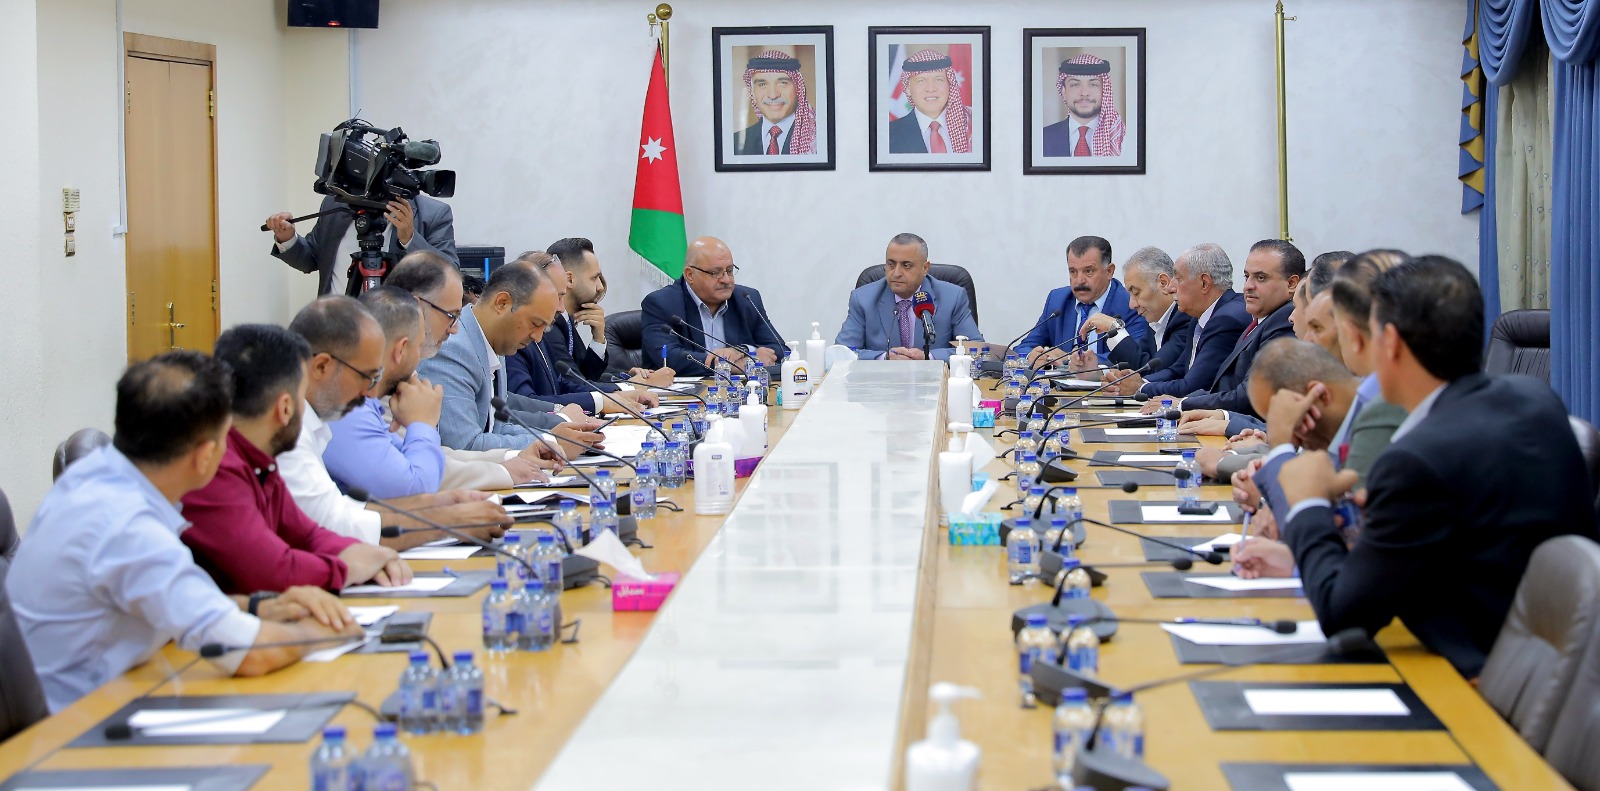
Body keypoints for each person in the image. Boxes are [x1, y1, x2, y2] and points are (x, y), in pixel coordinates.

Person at [1274, 256, 1598, 679]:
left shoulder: (1416, 460)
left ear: (1390, 343)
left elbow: (1342, 615)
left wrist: (1307, 504)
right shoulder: (1535, 398)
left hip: (1467, 682)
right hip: (1553, 668)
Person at [7, 351, 364, 713]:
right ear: (205, 455)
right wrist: (323, 632)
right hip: (73, 728)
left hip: (106, 697)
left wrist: (262, 607)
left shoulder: (94, 477)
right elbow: (252, 654)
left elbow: (168, 604)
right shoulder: (129, 528)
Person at [181, 325, 411, 594]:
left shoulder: (261, 461)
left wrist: (360, 552)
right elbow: (269, 570)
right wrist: (345, 568)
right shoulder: (215, 467)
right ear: (285, 408)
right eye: (303, 397)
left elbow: (308, 534)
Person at [277, 295, 511, 549]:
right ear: (322, 367)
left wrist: (435, 505)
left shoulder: (318, 417)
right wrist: (447, 520)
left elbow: (343, 507)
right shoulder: (287, 432)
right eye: (366, 376)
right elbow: (333, 523)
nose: (370, 394)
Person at [383, 253, 567, 490]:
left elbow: (442, 452)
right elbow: (445, 454)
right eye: (451, 315)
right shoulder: (451, 350)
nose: (454, 329)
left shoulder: (495, 342)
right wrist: (506, 468)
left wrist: (518, 455)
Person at [419, 258, 608, 451]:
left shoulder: (493, 341)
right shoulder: (454, 350)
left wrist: (556, 436)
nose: (538, 337)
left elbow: (497, 427)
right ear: (502, 303)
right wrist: (552, 443)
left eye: (545, 327)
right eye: (535, 324)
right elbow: (464, 445)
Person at [1162, 240, 1304, 423]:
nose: (1248, 286)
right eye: (1247, 276)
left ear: (1291, 283)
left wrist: (1183, 404)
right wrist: (1183, 401)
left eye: (1261, 278)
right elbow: (1225, 387)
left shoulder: (1284, 321)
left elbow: (1249, 395)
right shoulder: (1262, 321)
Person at [505, 250, 660, 414]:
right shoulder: (516, 339)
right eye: (557, 297)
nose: (562, 308)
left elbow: (564, 383)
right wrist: (605, 399)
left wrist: (615, 394)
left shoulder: (544, 329)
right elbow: (525, 403)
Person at [1104, 243, 1249, 400]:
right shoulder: (1199, 317)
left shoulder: (1226, 320)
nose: (1171, 288)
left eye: (1178, 279)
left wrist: (1139, 388)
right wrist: (1137, 381)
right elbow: (1177, 370)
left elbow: (1192, 386)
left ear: (1204, 283)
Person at [539, 237, 675, 389]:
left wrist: (599, 339)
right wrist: (639, 384)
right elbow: (574, 386)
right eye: (594, 278)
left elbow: (585, 376)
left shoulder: (567, 321)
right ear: (569, 279)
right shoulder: (549, 326)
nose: (600, 287)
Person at [641, 237, 785, 377]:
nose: (727, 280)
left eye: (729, 270)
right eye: (715, 273)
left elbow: (780, 349)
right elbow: (670, 358)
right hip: (681, 392)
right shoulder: (661, 303)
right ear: (690, 275)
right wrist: (731, 366)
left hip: (735, 390)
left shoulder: (746, 299)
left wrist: (742, 351)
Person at [264, 194, 457, 296]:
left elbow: (452, 276)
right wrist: (287, 237)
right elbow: (311, 260)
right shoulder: (335, 204)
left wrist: (410, 238)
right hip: (335, 330)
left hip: (397, 336)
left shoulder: (432, 213)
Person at [835, 233, 983, 361]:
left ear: (925, 268)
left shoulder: (953, 297)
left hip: (933, 381)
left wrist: (928, 357)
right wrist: (885, 358)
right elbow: (842, 353)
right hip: (882, 381)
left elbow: (977, 350)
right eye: (891, 264)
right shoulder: (863, 299)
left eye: (906, 265)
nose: (896, 273)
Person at [1015, 236, 1151, 370]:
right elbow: (1024, 346)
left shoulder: (1131, 304)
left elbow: (1136, 358)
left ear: (1109, 271)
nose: (1079, 281)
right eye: (1073, 272)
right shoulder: (1057, 300)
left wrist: (1070, 360)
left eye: (1088, 271)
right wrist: (1032, 356)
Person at [1105, 246, 1189, 371]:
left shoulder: (1185, 318)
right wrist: (1096, 371)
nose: (1132, 305)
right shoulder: (1155, 321)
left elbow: (1152, 371)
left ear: (1163, 283)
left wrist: (1114, 329)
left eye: (1136, 292)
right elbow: (1137, 362)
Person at [888, 49, 974, 154]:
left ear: (949, 84)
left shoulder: (973, 124)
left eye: (939, 79)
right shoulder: (889, 135)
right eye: (921, 81)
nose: (931, 88)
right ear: (908, 88)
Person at [734, 51, 818, 155]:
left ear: (798, 90)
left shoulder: (817, 140)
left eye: (783, 83)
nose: (773, 95)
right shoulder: (734, 143)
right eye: (762, 84)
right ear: (753, 94)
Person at [1041, 55, 1127, 157]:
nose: (1084, 93)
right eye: (1075, 85)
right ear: (1063, 92)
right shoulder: (1042, 138)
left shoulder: (1123, 139)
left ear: (1105, 91)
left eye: (1093, 85)